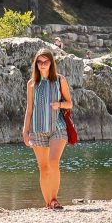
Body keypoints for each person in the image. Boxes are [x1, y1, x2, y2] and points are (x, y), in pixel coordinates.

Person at [21, 48, 73, 210]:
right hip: (37, 130)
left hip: (58, 127)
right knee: (43, 168)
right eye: (40, 62)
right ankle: (48, 202)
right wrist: (25, 131)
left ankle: (55, 199)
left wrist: (59, 104)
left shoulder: (59, 80)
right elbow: (29, 110)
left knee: (53, 162)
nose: (43, 65)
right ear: (36, 64)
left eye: (46, 61)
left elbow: (70, 103)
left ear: (51, 63)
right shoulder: (31, 84)